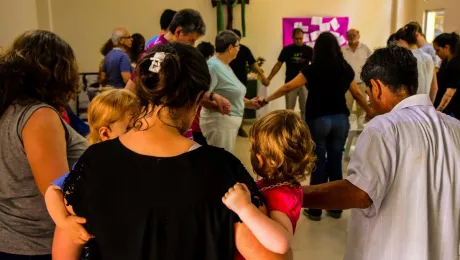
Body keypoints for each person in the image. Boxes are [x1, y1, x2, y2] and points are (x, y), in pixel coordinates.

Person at [52, 42, 288, 260]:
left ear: (143, 93)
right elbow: (269, 256)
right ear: (196, 99)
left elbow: (63, 253)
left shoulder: (95, 161)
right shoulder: (220, 168)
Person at [302, 45, 460, 260]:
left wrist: (295, 195)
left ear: (376, 87)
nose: (369, 101)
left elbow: (359, 193)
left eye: (368, 94)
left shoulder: (384, 128)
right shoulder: (454, 127)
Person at [262, 32, 372, 221]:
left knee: (318, 161)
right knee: (336, 160)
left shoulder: (312, 69)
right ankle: (336, 209)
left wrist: (266, 99)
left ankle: (315, 210)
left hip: (319, 120)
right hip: (340, 120)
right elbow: (358, 94)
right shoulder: (345, 68)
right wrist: (369, 110)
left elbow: (288, 87)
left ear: (317, 50)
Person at [0, 30, 87, 259]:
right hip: (38, 245)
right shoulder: (38, 116)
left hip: (15, 240)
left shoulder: (11, 111)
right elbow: (58, 190)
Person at [45, 89, 138, 246]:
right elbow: (53, 191)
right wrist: (65, 221)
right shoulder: (92, 163)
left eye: (141, 126)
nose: (139, 133)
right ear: (106, 134)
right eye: (130, 129)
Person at [223, 110, 315, 257]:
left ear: (260, 159)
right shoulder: (279, 184)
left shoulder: (281, 195)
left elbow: (281, 243)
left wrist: (244, 208)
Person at [200, 30, 261, 153]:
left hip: (228, 123)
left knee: (225, 161)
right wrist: (219, 108)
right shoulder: (213, 66)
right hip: (219, 123)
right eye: (238, 46)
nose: (239, 49)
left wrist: (249, 103)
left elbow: (229, 92)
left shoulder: (225, 65)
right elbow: (201, 96)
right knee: (220, 164)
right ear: (230, 47)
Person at [229, 29, 269, 137]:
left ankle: (240, 128)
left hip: (241, 82)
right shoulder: (225, 49)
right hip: (228, 81)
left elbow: (253, 64)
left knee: (241, 104)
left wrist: (263, 77)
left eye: (237, 38)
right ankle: (230, 127)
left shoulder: (244, 50)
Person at [266, 28, 313, 120]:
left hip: (304, 83)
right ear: (292, 38)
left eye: (301, 38)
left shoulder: (309, 50)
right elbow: (278, 65)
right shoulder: (287, 50)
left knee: (305, 109)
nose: (299, 41)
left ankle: (304, 130)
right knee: (289, 110)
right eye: (296, 38)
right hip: (290, 82)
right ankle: (290, 129)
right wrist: (269, 78)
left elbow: (316, 66)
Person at [395, 25, 438, 101]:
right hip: (425, 105)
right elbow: (434, 88)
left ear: (401, 41)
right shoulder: (428, 57)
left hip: (409, 105)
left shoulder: (405, 58)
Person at [342, 29, 373, 129]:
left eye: (354, 35)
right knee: (346, 108)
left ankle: (361, 131)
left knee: (362, 109)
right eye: (349, 35)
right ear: (346, 37)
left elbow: (372, 62)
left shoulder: (365, 48)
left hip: (361, 83)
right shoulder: (342, 50)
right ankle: (347, 131)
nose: (352, 37)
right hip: (347, 85)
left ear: (358, 36)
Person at [192, 41, 216, 145]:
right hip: (203, 121)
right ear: (210, 56)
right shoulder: (207, 72)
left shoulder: (193, 69)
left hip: (192, 121)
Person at [433, 32, 460, 119]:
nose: (436, 54)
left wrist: (438, 111)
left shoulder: (455, 64)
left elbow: (450, 92)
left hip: (451, 111)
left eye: (438, 50)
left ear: (446, 47)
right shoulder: (446, 63)